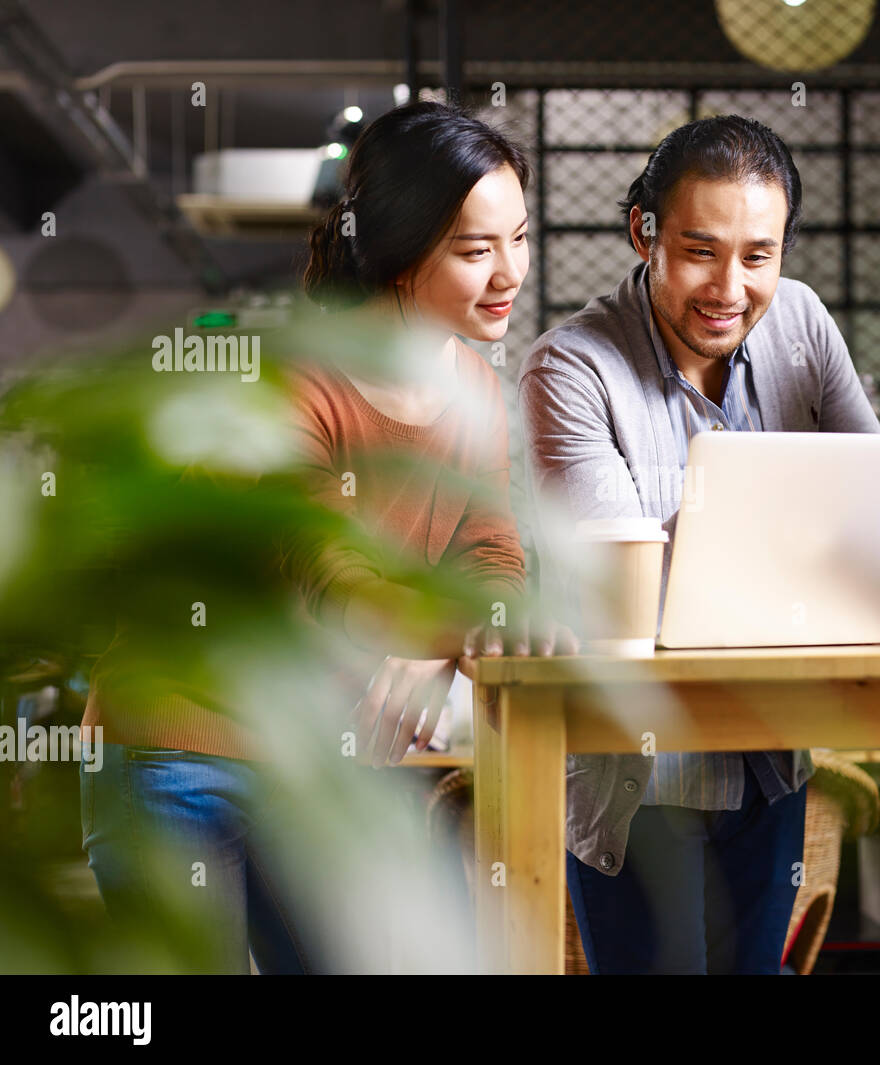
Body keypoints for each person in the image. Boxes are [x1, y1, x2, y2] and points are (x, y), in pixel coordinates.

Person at [80, 101, 573, 974]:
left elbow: (491, 552)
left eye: (519, 238)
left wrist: (463, 629)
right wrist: (451, 635)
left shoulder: (476, 390)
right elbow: (323, 569)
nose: (510, 274)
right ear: (395, 247)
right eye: (474, 249)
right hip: (176, 752)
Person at [518, 115, 880, 974]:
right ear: (643, 233)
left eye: (759, 255)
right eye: (700, 250)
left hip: (772, 759)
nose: (730, 286)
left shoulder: (800, 322)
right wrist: (800, 545)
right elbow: (632, 588)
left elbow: (875, 506)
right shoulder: (570, 369)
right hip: (644, 779)